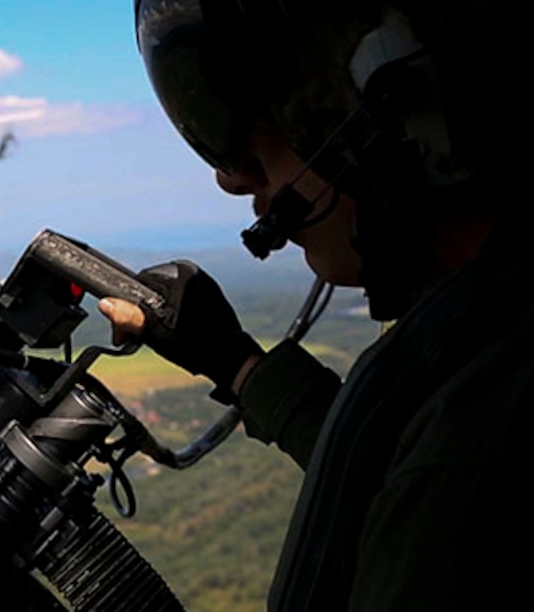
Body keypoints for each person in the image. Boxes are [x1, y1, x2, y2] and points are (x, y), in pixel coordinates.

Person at [101, 1, 531, 609]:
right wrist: (234, 362)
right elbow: (377, 473)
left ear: (390, 99)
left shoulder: (474, 457)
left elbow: (415, 480)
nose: (235, 177)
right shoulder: (485, 334)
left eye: (261, 118)